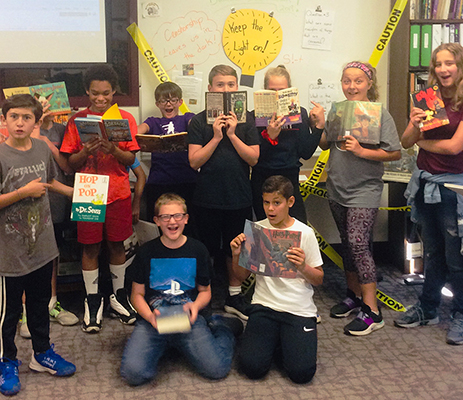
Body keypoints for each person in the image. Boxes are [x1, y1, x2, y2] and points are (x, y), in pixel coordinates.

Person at [120, 193, 241, 386]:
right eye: (165, 217)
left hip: (189, 320)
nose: (172, 221)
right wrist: (150, 316)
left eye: (177, 216)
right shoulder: (146, 252)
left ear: (186, 219)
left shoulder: (198, 250)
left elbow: (205, 291)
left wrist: (196, 307)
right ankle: (170, 345)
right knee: (133, 374)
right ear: (156, 221)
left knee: (217, 369)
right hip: (154, 322)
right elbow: (137, 295)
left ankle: (221, 328)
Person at [0, 94, 76, 395]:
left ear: (36, 122)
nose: (20, 122)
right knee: (8, 316)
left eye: (26, 118)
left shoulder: (43, 147)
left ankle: (41, 354)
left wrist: (84, 195)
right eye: (14, 117)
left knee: (39, 307)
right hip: (8, 253)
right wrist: (23, 192)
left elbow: (51, 183)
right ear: (4, 120)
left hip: (42, 247)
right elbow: (29, 191)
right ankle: (6, 361)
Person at [319, 61, 401, 336]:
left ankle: (372, 311)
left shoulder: (379, 114)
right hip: (337, 186)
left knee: (358, 243)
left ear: (369, 84)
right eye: (346, 80)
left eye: (358, 81)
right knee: (347, 244)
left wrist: (363, 152)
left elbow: (395, 153)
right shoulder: (338, 111)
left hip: (364, 189)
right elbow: (324, 143)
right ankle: (353, 295)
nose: (351, 86)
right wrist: (321, 124)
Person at [60, 65, 140, 333]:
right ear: (87, 91)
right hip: (88, 188)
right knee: (90, 246)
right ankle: (92, 300)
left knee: (117, 244)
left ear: (114, 91)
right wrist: (86, 151)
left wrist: (113, 149)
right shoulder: (76, 121)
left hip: (117, 189)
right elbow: (70, 163)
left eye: (106, 93)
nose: (101, 98)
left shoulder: (125, 118)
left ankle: (119, 296)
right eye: (95, 93)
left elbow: (131, 160)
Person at [394, 43, 463, 345]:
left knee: (456, 257)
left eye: (450, 63)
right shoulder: (428, 98)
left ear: (460, 67)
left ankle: (461, 314)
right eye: (438, 64)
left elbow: (454, 147)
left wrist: (422, 143)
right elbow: (406, 141)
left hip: (454, 189)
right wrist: (414, 123)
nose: (444, 69)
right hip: (425, 185)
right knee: (432, 253)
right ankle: (428, 308)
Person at [230, 175, 323, 383]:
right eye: (266, 202)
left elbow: (318, 279)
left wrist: (303, 267)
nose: (270, 209)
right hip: (264, 306)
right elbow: (241, 276)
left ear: (290, 202)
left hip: (298, 309)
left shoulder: (305, 233)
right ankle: (276, 340)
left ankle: (285, 341)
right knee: (252, 368)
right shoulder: (258, 230)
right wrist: (237, 254)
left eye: (277, 203)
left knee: (302, 374)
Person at [187, 65, 260, 318]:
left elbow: (253, 159)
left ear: (237, 88)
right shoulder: (198, 121)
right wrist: (217, 137)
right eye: (220, 85)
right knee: (205, 249)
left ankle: (233, 295)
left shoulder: (247, 120)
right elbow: (194, 161)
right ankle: (204, 296)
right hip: (206, 197)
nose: (226, 89)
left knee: (235, 249)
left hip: (238, 195)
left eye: (231, 84)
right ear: (210, 89)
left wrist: (232, 133)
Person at [19, 93, 79, 339]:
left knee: (49, 253)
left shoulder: (60, 130)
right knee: (24, 256)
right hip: (19, 213)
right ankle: (25, 311)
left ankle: (51, 303)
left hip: (50, 206)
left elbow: (59, 173)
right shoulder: (14, 136)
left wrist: (79, 194)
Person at [251, 65, 325, 224]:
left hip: (289, 179)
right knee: (266, 231)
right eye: (272, 91)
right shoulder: (253, 116)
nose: (277, 96)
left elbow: (305, 152)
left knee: (297, 227)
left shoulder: (300, 113)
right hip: (262, 179)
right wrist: (269, 137)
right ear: (264, 90)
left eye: (282, 91)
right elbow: (253, 157)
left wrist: (319, 127)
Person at [138, 81, 197, 228]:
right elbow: (137, 131)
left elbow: (196, 124)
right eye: (164, 100)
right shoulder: (153, 121)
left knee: (188, 223)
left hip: (186, 179)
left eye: (173, 100)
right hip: (159, 181)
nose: (168, 104)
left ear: (180, 102)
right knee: (158, 222)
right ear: (157, 103)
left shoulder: (186, 118)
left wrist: (193, 126)